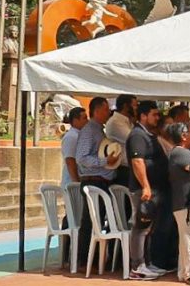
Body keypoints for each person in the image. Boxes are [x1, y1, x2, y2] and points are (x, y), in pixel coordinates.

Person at [126, 100, 172, 278]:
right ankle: (137, 266)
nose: (157, 117)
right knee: (141, 226)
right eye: (154, 114)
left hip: (155, 189)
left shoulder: (149, 135)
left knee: (149, 228)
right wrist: (145, 186)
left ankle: (147, 262)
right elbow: (137, 161)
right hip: (143, 190)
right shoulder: (137, 135)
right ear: (143, 116)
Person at [75, 97, 121, 269]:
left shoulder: (97, 130)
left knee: (96, 221)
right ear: (96, 110)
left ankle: (92, 260)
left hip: (100, 181)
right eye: (105, 109)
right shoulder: (89, 130)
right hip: (94, 182)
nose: (108, 112)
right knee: (90, 222)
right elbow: (81, 157)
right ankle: (85, 260)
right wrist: (104, 162)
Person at [166, 122, 190, 284]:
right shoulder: (182, 153)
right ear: (183, 136)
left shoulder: (177, 153)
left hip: (182, 204)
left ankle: (184, 272)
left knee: (187, 239)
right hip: (187, 205)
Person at [105, 94, 138, 185]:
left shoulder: (127, 121)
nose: (136, 108)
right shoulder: (115, 122)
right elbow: (133, 140)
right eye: (134, 105)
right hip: (124, 169)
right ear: (125, 106)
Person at [61, 107, 87, 187]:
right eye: (84, 118)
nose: (87, 121)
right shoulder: (71, 137)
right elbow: (70, 161)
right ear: (76, 121)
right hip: (72, 184)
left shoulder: (80, 135)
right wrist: (77, 183)